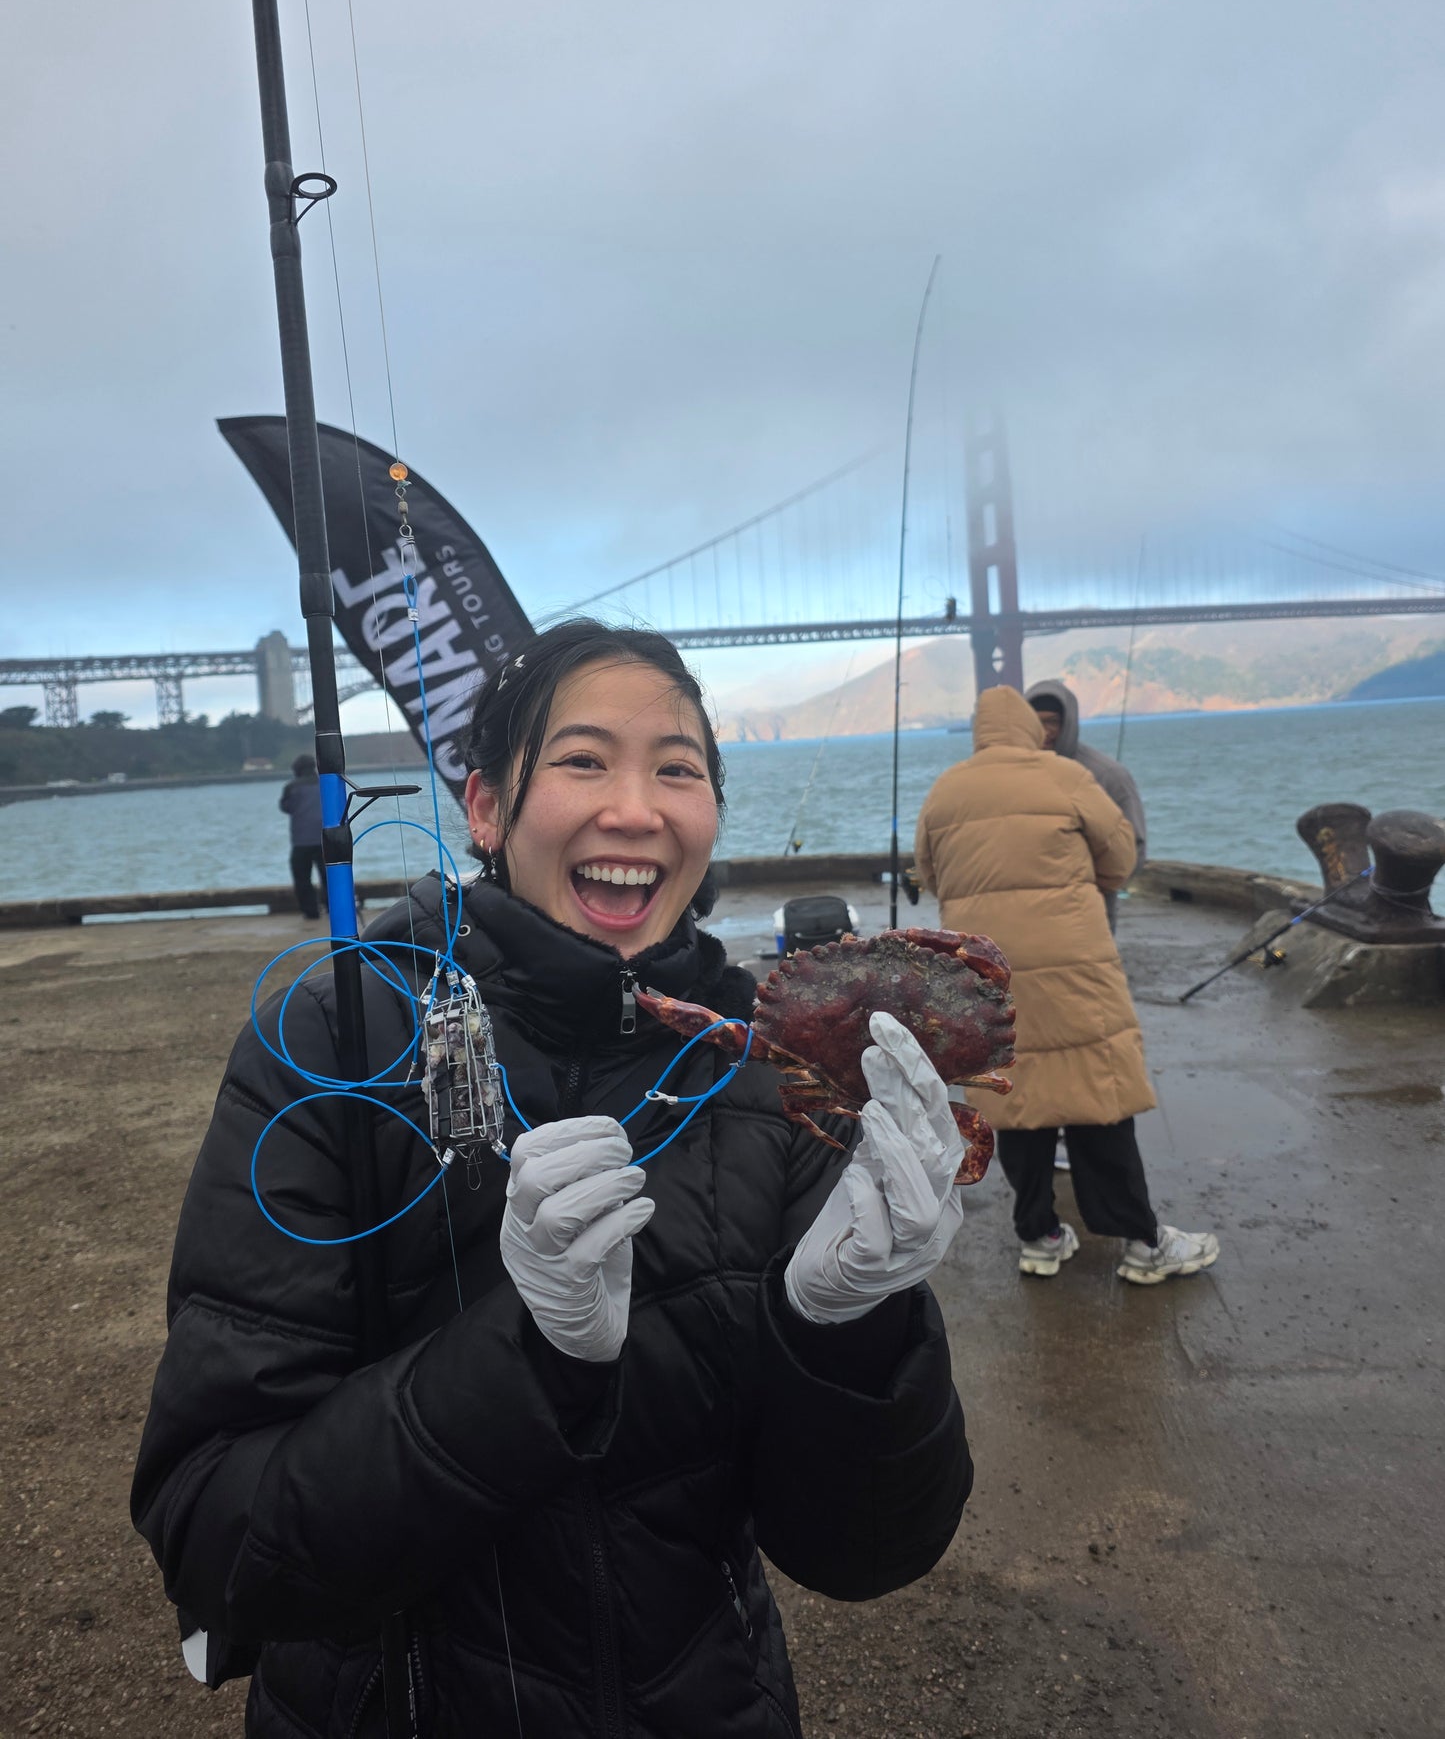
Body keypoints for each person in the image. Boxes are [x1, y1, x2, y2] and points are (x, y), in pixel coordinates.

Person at [132, 620, 973, 1739]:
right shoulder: (338, 1043)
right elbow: (218, 1541)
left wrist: (849, 1328)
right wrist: (526, 1356)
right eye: (582, 760)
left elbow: (866, 1551)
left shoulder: (762, 1069)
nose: (635, 808)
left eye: (677, 768)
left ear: (711, 815)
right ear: (484, 807)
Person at [915, 683, 1218, 1288]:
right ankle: (1140, 1241)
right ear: (1029, 728)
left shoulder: (946, 789)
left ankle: (1038, 1237)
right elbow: (1120, 861)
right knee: (1097, 1096)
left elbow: (928, 874)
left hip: (985, 968)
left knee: (1015, 1100)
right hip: (1074, 963)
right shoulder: (1067, 777)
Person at [1024, 679, 1145, 931]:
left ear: (1068, 722)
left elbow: (1134, 850)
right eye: (1036, 720)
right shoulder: (1012, 775)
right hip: (1028, 915)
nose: (1044, 730)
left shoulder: (1109, 775)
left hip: (1090, 915)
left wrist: (1084, 887)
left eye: (1053, 721)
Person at [279, 751, 324, 920]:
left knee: (302, 879)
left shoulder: (291, 787)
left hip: (301, 841)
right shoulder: (324, 784)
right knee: (329, 876)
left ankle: (311, 912)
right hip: (325, 839)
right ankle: (331, 907)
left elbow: (286, 807)